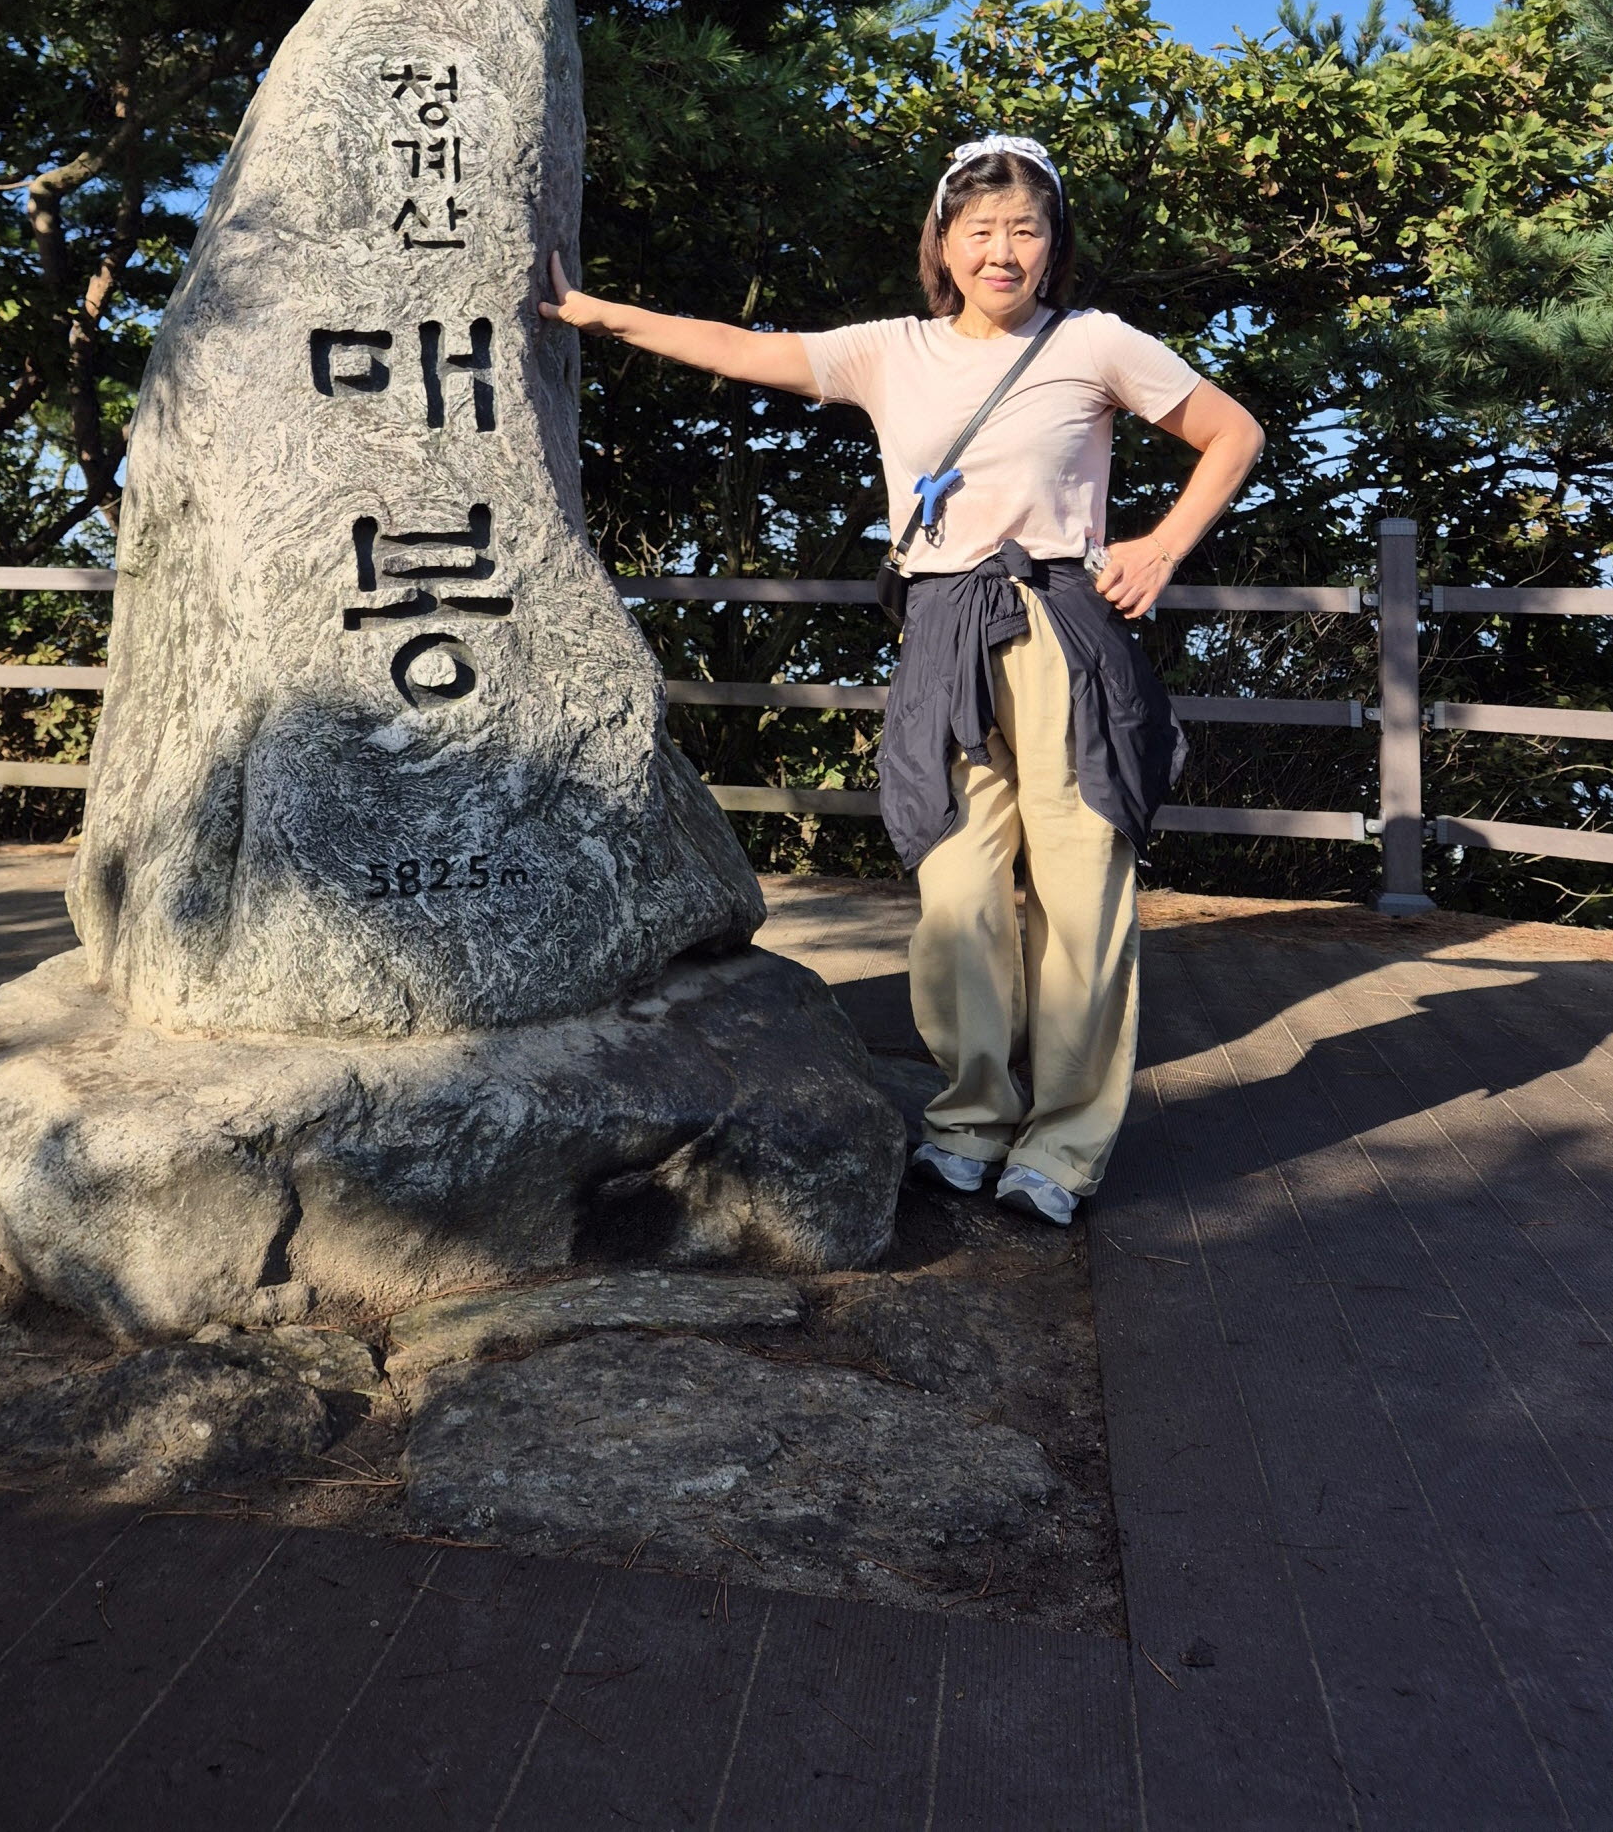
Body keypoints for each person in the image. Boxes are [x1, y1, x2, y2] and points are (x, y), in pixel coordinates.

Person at [540, 132, 1264, 1225]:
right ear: (944, 243)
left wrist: (1160, 547)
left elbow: (1231, 433)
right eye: (981, 231)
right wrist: (602, 315)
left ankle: (1064, 1146)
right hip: (942, 628)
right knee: (960, 887)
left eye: (1026, 229)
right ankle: (971, 1119)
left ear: (1053, 242)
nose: (1003, 251)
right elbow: (745, 349)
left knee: (1081, 888)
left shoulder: (1096, 342)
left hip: (1064, 626)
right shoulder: (893, 351)